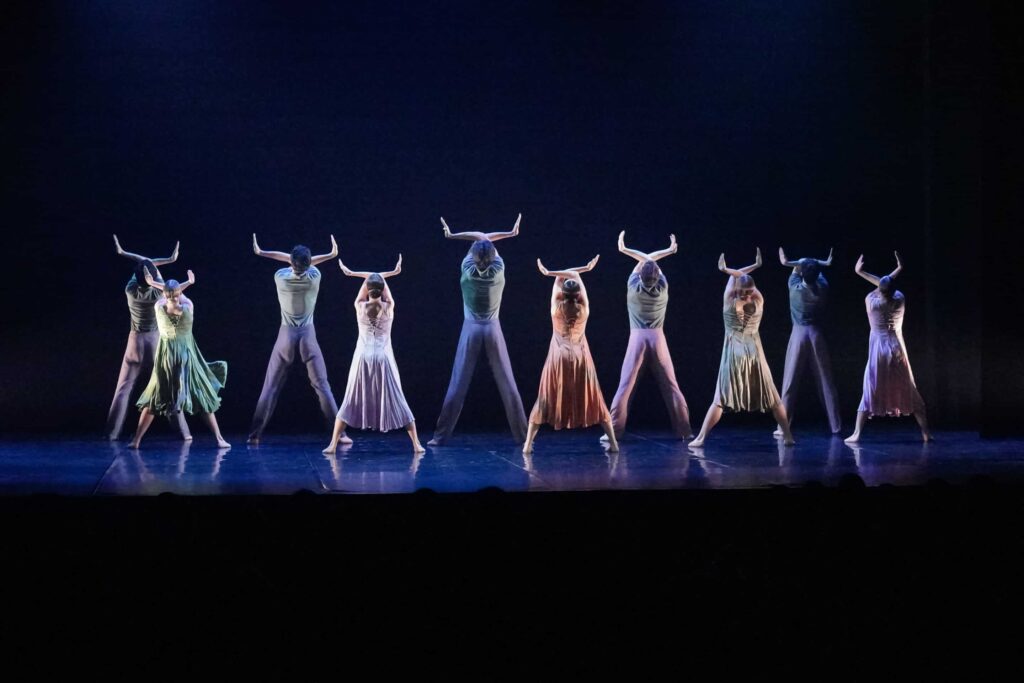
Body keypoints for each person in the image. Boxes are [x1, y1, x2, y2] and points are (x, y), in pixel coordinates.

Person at [428, 215, 528, 446]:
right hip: (493, 329)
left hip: (471, 329)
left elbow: (480, 237)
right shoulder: (498, 268)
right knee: (508, 383)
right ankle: (524, 437)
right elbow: (484, 238)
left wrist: (452, 235)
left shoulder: (467, 269)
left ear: (472, 256)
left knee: (458, 383)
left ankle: (440, 437)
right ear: (493, 256)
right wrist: (510, 233)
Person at [689, 249, 795, 447]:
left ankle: (701, 438)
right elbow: (744, 280)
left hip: (734, 352)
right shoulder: (759, 300)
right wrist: (755, 266)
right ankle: (788, 436)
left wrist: (726, 270)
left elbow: (736, 277)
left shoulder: (729, 299)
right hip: (754, 352)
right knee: (773, 397)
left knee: (720, 399)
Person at [323, 255, 425, 454]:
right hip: (383, 358)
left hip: (363, 358)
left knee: (350, 399)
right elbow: (378, 282)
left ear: (367, 289)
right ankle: (416, 444)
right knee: (398, 398)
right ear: (383, 289)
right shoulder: (389, 307)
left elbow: (370, 282)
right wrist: (392, 273)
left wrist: (353, 273)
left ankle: (333, 445)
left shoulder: (359, 306)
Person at [247, 234, 343, 444]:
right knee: (322, 386)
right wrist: (330, 255)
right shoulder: (314, 276)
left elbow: (289, 261)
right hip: (308, 336)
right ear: (309, 265)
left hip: (286, 336)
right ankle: (340, 435)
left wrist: (262, 252)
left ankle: (255, 435)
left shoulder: (280, 277)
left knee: (270, 386)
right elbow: (306, 263)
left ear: (291, 262)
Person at [522, 257, 618, 454]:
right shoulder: (584, 310)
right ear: (579, 294)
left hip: (558, 357)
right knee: (594, 396)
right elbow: (573, 275)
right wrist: (585, 269)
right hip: (581, 357)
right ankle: (614, 444)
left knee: (545, 397)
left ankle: (527, 445)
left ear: (562, 294)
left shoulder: (555, 309)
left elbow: (562, 277)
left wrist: (548, 272)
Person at [605, 231, 692, 441]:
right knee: (671, 385)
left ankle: (614, 432)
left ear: (640, 276)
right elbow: (650, 262)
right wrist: (669, 250)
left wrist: (624, 249)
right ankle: (685, 431)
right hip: (658, 338)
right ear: (657, 277)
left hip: (637, 339)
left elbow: (647, 261)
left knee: (625, 386)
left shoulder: (633, 286)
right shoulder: (663, 287)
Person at [130, 270, 230, 449]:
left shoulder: (159, 307)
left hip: (166, 360)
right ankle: (219, 439)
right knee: (201, 395)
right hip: (186, 358)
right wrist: (189, 282)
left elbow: (167, 293)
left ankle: (136, 441)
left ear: (164, 294)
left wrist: (153, 284)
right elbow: (176, 293)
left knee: (155, 398)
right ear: (179, 293)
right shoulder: (188, 307)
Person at [107, 235, 191, 441]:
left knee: (123, 389)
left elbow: (144, 265)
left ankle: (112, 433)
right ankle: (183, 433)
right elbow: (149, 268)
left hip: (134, 343)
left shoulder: (130, 290)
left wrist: (124, 253)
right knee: (168, 388)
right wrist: (170, 260)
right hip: (155, 343)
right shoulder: (159, 294)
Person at [845, 252, 932, 443]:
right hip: (897, 348)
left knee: (871, 387)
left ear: (880, 290)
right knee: (909, 387)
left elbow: (882, 285)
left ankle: (857, 433)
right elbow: (886, 284)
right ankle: (926, 433)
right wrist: (899, 269)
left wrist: (860, 272)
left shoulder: (872, 303)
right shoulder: (900, 298)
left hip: (880, 350)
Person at [775, 247, 842, 435]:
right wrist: (823, 263)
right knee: (826, 380)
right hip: (816, 335)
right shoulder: (823, 287)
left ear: (802, 273)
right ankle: (836, 425)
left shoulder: (794, 287)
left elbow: (796, 268)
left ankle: (783, 426)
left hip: (798, 334)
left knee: (790, 382)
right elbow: (813, 270)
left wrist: (789, 262)